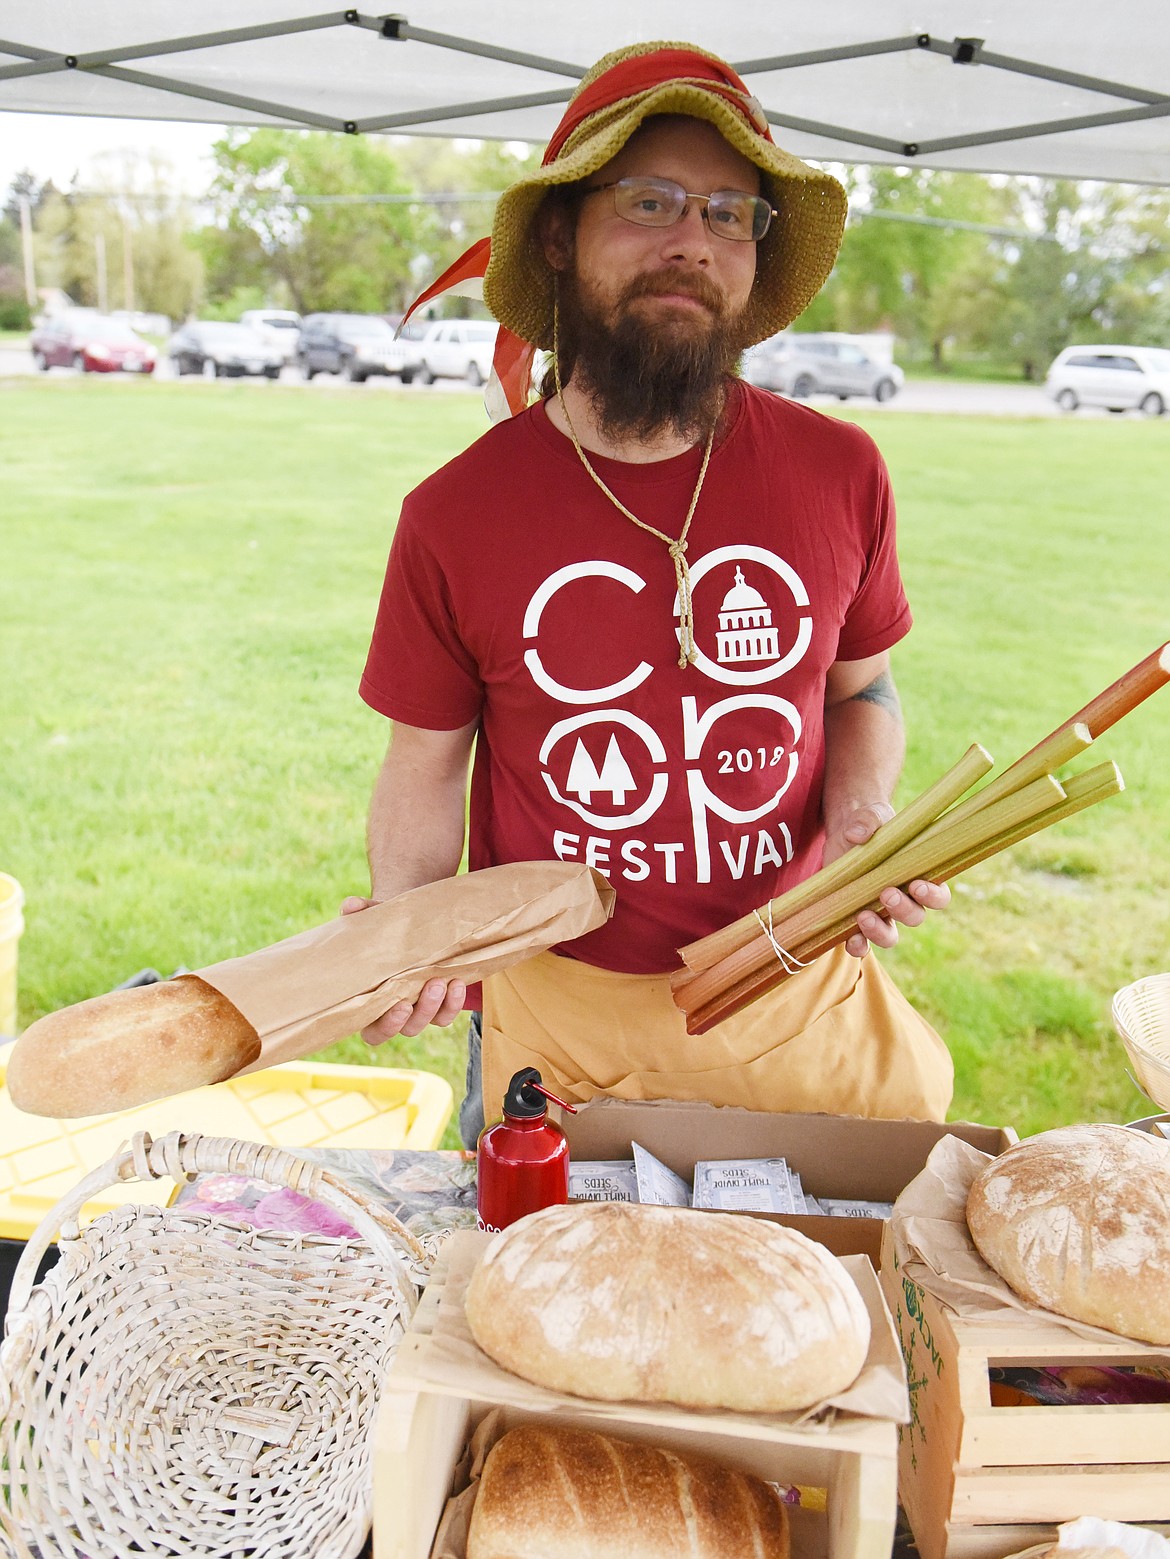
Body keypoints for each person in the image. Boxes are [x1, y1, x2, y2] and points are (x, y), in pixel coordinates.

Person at [347, 41, 952, 1145]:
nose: (694, 241)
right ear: (559, 233)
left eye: (732, 214)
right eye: (651, 199)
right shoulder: (455, 515)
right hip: (562, 1037)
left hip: (795, 1005)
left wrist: (864, 823)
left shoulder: (840, 471)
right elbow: (426, 762)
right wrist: (411, 927)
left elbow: (864, 693)